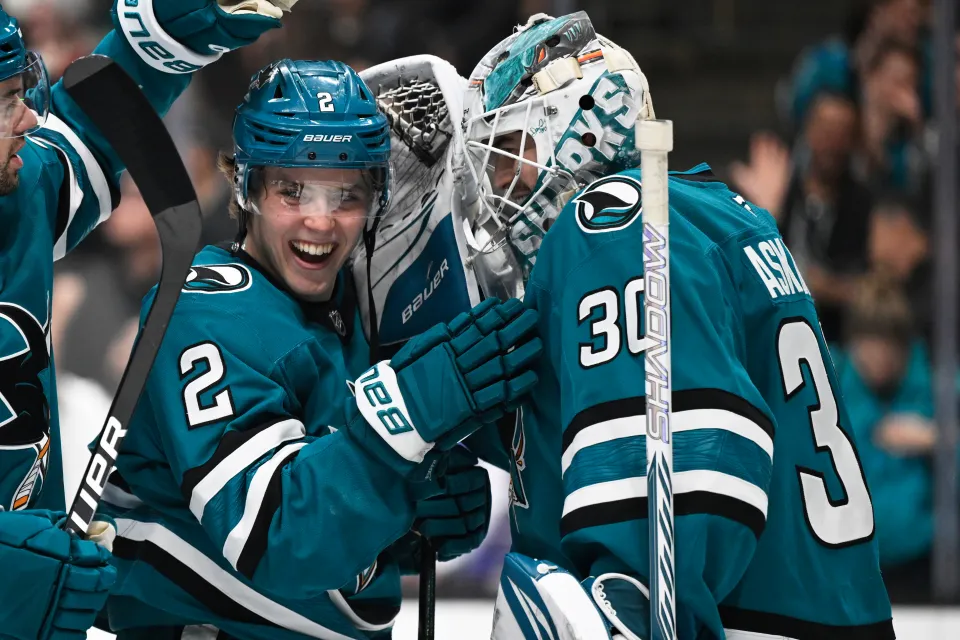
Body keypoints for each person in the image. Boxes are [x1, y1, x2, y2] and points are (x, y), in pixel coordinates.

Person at [457, 12, 894, 639]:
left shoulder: (609, 223)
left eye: (509, 158)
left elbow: (688, 464)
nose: (498, 189)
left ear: (578, 131)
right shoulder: (724, 215)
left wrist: (631, 608)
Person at [95, 59, 541, 639]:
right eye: (292, 189)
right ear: (245, 186)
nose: (320, 221)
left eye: (347, 194)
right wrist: (409, 411)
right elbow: (274, 534)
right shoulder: (202, 311)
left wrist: (404, 512)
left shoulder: (360, 312)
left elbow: (336, 534)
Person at [0, 1, 286, 638]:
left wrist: (175, 27)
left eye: (21, 93)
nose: (26, 117)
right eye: (4, 101)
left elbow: (90, 124)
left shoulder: (20, 193)